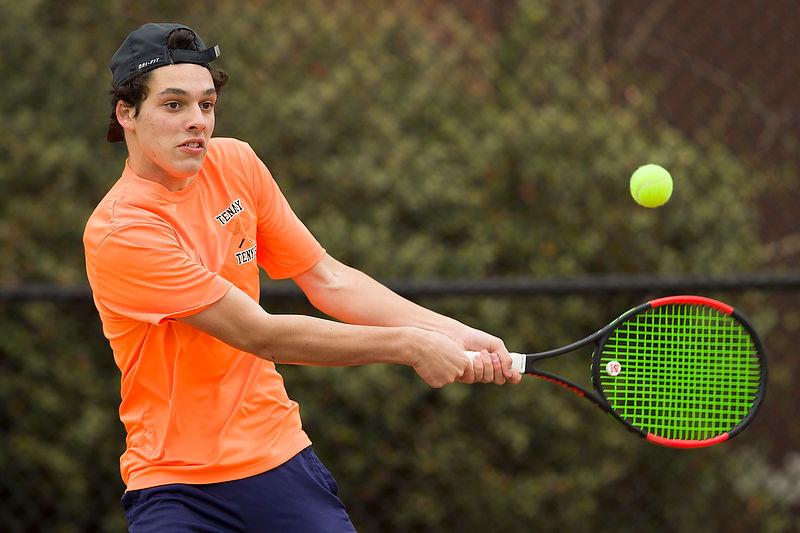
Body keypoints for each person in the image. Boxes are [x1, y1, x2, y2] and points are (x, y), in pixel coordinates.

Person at [83, 23, 521, 532]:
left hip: (278, 462)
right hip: (174, 488)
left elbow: (327, 279)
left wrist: (453, 333)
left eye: (207, 104)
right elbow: (260, 334)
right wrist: (411, 346)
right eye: (174, 105)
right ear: (126, 114)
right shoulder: (123, 230)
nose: (197, 122)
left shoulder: (237, 163)